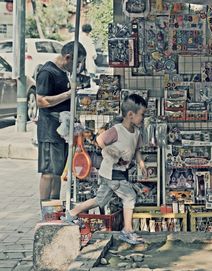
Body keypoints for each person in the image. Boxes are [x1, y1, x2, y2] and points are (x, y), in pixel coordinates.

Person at [62, 94, 148, 245]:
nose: (143, 117)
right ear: (130, 115)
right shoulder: (117, 130)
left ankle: (72, 213)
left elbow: (137, 150)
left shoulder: (136, 133)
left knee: (100, 200)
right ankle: (127, 230)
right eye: (142, 114)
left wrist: (142, 164)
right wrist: (111, 152)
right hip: (112, 172)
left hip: (118, 172)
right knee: (129, 197)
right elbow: (100, 140)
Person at [36, 41, 87, 203]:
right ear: (68, 57)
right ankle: (45, 209)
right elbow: (41, 101)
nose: (78, 66)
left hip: (62, 130)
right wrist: (68, 94)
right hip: (50, 130)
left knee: (57, 171)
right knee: (49, 172)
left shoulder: (63, 72)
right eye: (77, 63)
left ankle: (55, 206)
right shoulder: (47, 72)